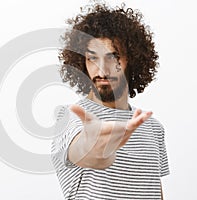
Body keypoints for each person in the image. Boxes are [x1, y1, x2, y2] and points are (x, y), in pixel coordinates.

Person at [51, 1, 169, 199]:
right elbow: (84, 151)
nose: (102, 70)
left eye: (113, 57)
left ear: (131, 58)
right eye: (92, 58)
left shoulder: (153, 128)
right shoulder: (70, 117)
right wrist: (93, 145)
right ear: (82, 63)